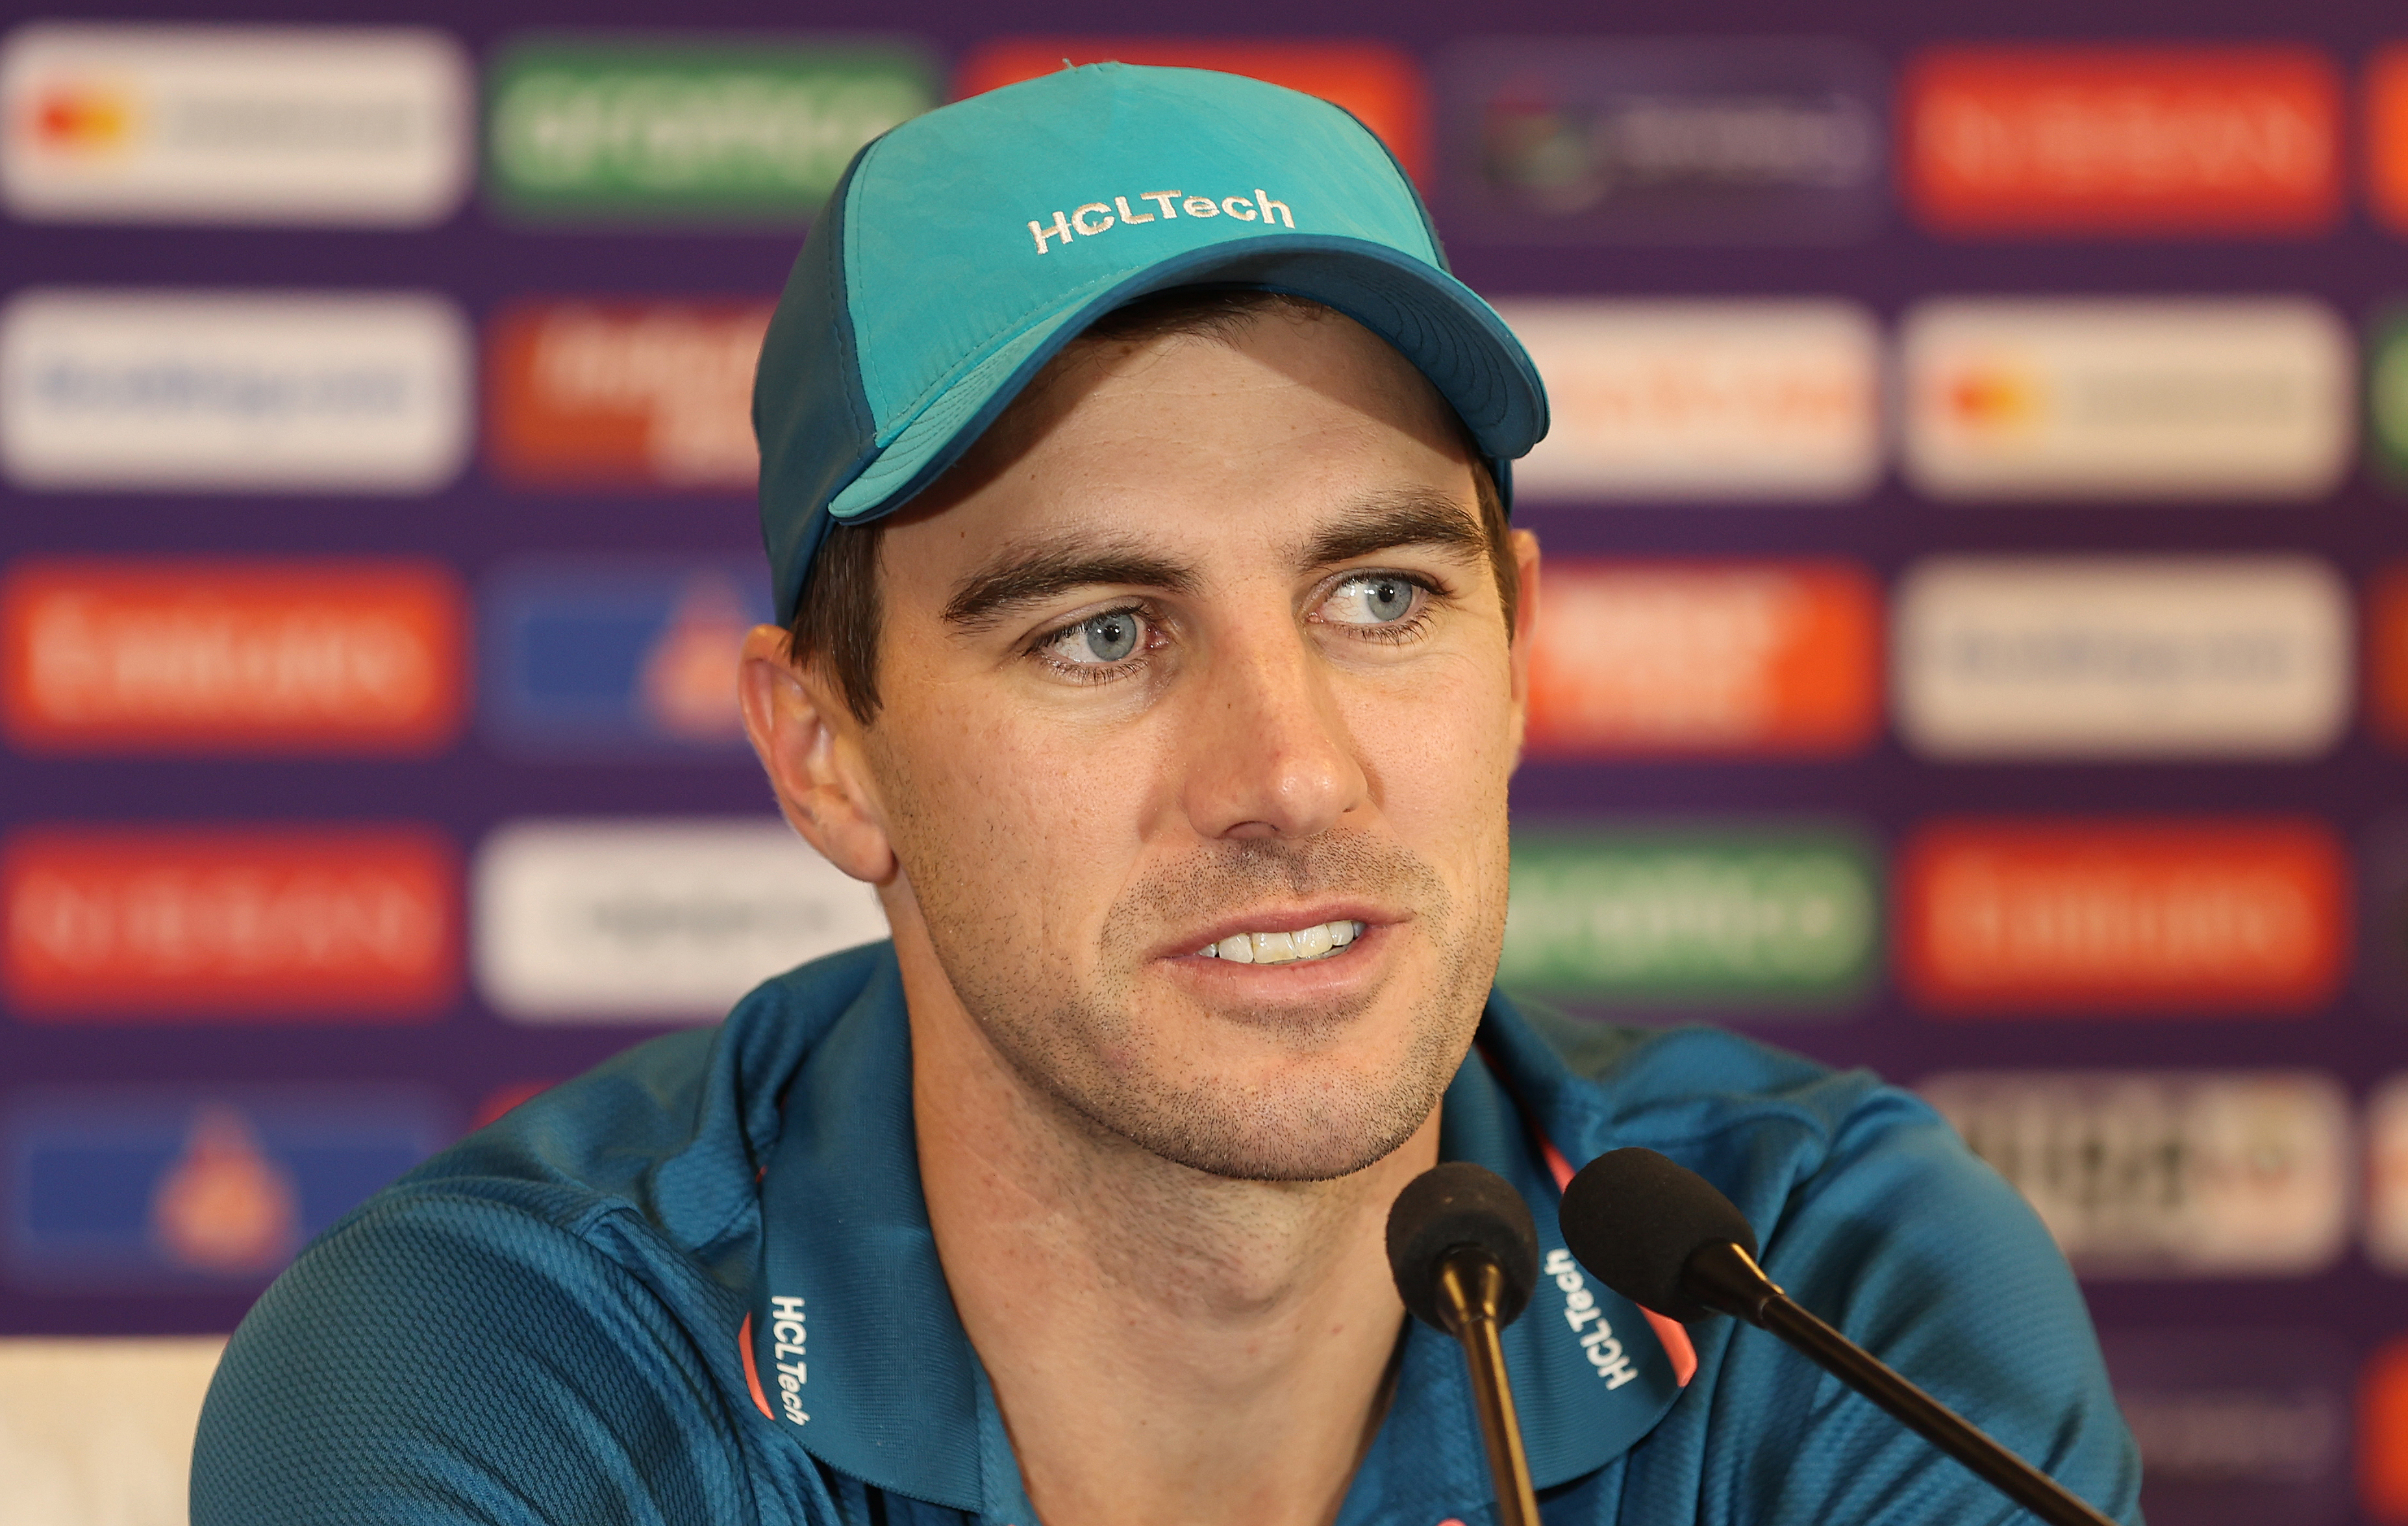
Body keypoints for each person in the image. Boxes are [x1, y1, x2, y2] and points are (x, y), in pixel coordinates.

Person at [192, 64, 2140, 1526]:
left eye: (1380, 597)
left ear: (1520, 651)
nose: (1291, 772)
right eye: (1100, 634)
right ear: (825, 752)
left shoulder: (1833, 1287)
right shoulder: (491, 1371)